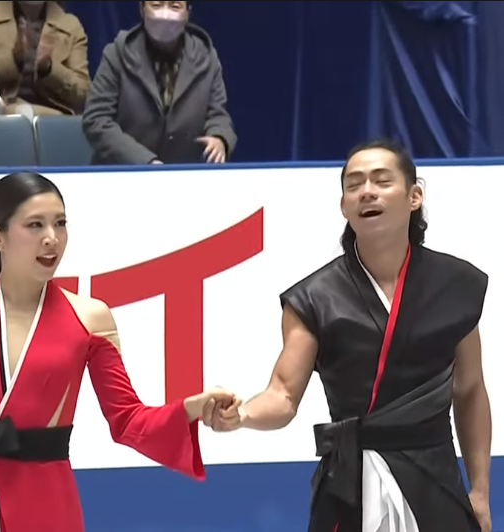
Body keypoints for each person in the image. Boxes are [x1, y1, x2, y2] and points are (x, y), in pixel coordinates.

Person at [205, 139, 492, 532]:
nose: (367, 191)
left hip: (436, 482)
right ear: (344, 206)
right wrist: (242, 415)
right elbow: (283, 395)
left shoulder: (457, 285)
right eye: (354, 185)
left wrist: (480, 490)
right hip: (349, 488)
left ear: (414, 196)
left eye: (381, 181)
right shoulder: (313, 298)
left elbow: (470, 389)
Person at [0, 171, 237, 532]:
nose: (52, 238)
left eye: (60, 223)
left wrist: (190, 409)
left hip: (49, 505)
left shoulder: (90, 318)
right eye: (35, 225)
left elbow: (127, 420)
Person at [82, 0, 237, 165]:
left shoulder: (206, 56)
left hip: (184, 172)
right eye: (156, 5)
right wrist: (145, 161)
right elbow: (96, 120)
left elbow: (218, 115)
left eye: (175, 6)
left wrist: (219, 138)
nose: (165, 15)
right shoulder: (117, 54)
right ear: (142, 9)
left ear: (188, 13)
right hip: (125, 172)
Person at [0, 1, 90, 116]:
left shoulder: (71, 26)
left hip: (51, 122)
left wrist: (49, 68)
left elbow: (82, 92)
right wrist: (12, 60)